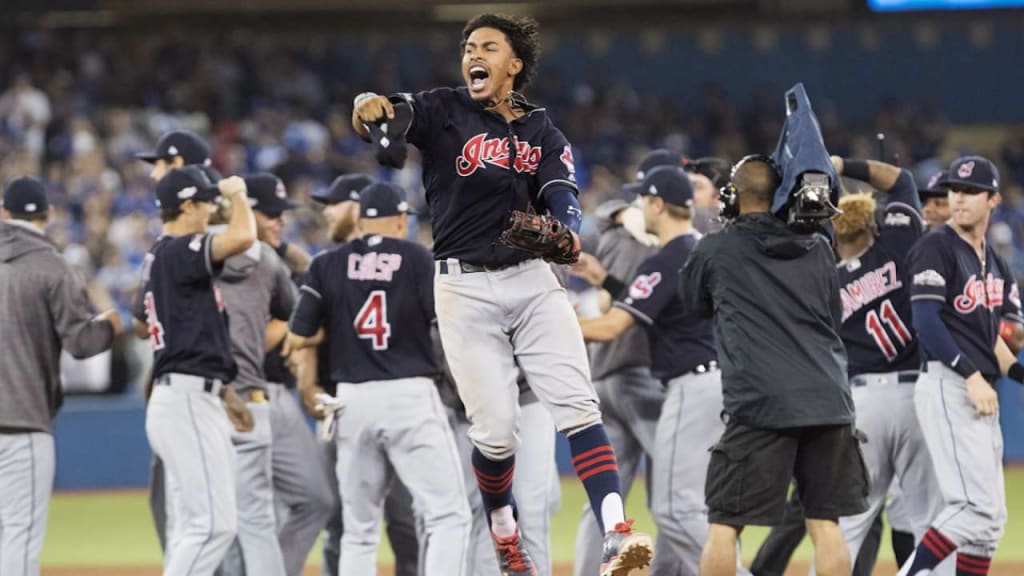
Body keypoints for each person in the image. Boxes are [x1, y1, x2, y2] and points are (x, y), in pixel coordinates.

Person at [352, 13, 651, 575]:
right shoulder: (444, 107)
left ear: (514, 64)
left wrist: (564, 229)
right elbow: (393, 118)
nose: (473, 54)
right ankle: (502, 526)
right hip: (463, 290)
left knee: (579, 406)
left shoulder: (542, 129)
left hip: (533, 279)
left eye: (487, 46)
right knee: (495, 434)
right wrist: (371, 105)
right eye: (468, 46)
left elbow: (562, 193)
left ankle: (616, 530)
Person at [678, 156, 868, 576]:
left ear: (733, 196)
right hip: (828, 399)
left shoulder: (716, 247)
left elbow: (693, 305)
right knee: (826, 523)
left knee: (725, 524)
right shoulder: (819, 245)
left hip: (761, 402)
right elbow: (833, 317)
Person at [283, 182, 471, 576]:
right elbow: (448, 327)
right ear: (400, 220)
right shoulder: (418, 259)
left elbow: (299, 334)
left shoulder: (325, 265)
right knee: (448, 516)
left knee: (358, 531)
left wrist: (340, 325)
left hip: (351, 400)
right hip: (409, 394)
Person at [576, 166, 750, 576]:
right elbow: (667, 311)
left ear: (656, 205)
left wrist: (555, 325)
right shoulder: (707, 250)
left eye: (644, 201)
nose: (640, 208)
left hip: (690, 388)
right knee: (692, 504)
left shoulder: (667, 257)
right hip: (720, 382)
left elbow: (613, 327)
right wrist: (607, 280)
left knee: (673, 508)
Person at [899, 156, 1024, 576]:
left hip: (978, 390)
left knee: (989, 524)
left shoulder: (996, 260)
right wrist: (971, 375)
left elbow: (1000, 341)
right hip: (949, 383)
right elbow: (926, 323)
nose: (959, 198)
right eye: (954, 190)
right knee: (972, 508)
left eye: (971, 191)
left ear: (993, 200)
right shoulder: (936, 246)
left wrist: (1016, 363)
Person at [134, 165, 256, 575]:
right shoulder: (175, 251)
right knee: (213, 528)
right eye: (204, 201)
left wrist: (225, 393)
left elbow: (190, 333)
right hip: (185, 399)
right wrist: (237, 193)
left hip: (191, 394)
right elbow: (242, 236)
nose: (211, 208)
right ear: (187, 205)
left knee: (194, 526)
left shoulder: (161, 257)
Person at [0, 177, 121, 576]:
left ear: (3, 213)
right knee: (18, 534)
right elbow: (81, 343)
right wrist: (109, 325)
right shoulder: (53, 265)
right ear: (48, 215)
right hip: (21, 422)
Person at [827, 156, 942, 572]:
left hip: (862, 405)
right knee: (928, 519)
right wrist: (843, 162)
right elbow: (903, 181)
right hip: (916, 395)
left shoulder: (825, 282)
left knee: (850, 523)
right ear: (873, 227)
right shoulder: (898, 244)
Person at [305, 173, 421, 576]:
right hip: (353, 404)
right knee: (343, 523)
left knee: (397, 525)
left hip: (371, 401)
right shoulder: (330, 264)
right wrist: (308, 384)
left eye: (333, 204)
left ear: (357, 208)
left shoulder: (334, 266)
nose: (326, 212)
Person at [213, 173, 300, 576]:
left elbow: (145, 322)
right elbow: (297, 312)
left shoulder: (185, 251)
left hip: (200, 399)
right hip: (251, 395)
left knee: (207, 518)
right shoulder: (266, 259)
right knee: (256, 519)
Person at [570, 190, 661, 576]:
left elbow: (605, 212)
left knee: (604, 497)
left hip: (603, 377)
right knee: (677, 500)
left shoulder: (610, 234)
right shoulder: (664, 244)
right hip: (645, 374)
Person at [136, 128, 218, 552]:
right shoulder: (180, 241)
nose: (154, 176)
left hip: (205, 388)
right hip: (196, 385)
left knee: (200, 521)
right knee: (206, 521)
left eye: (162, 165)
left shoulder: (201, 237)